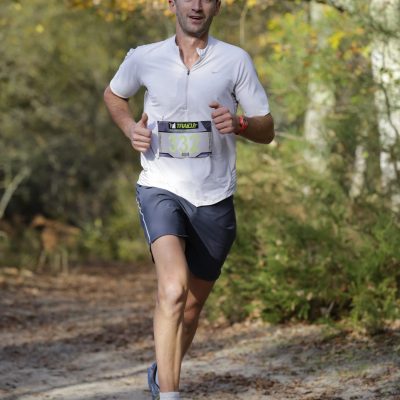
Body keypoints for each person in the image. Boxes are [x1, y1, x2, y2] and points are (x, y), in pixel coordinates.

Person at [104, 0, 275, 399]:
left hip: (215, 197)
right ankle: (170, 393)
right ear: (172, 3)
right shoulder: (144, 57)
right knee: (173, 289)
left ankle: (162, 371)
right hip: (160, 187)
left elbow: (266, 128)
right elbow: (114, 96)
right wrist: (130, 128)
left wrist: (241, 123)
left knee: (192, 309)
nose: (195, 5)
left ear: (216, 5)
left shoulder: (235, 60)